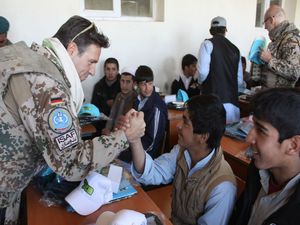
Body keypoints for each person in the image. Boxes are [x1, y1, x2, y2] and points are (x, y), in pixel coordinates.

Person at [0, 16, 145, 225]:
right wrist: (126, 136)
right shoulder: (47, 85)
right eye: (91, 62)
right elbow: (71, 162)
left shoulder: (27, 57)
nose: (94, 70)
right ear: (71, 49)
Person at [129, 94, 236, 225]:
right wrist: (135, 139)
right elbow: (151, 172)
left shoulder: (222, 187)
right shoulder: (182, 151)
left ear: (203, 137)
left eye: (185, 122)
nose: (178, 126)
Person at [233, 88, 300, 225]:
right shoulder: (257, 171)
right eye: (253, 126)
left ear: (293, 145)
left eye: (261, 130)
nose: (248, 138)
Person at [197, 16, 243, 124]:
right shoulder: (236, 49)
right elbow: (239, 81)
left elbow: (202, 72)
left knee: (212, 137)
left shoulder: (207, 44)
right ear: (225, 30)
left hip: (212, 102)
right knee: (229, 138)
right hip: (232, 103)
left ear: (211, 30)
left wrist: (200, 82)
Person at [119, 65, 168, 162]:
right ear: (136, 84)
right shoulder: (136, 100)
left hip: (146, 157)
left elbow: (152, 143)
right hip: (132, 147)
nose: (148, 88)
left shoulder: (156, 107)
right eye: (143, 84)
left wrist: (130, 154)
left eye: (150, 84)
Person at [258, 5, 300, 88]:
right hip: (272, 95)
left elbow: (295, 73)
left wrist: (270, 60)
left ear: (271, 20)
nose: (265, 27)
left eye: (264, 22)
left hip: (282, 97)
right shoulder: (279, 39)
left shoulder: (291, 39)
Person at [102, 67, 137, 135]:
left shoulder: (135, 98)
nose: (124, 85)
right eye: (122, 81)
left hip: (125, 134)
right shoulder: (118, 95)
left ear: (134, 84)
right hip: (113, 132)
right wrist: (107, 129)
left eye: (128, 82)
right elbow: (112, 114)